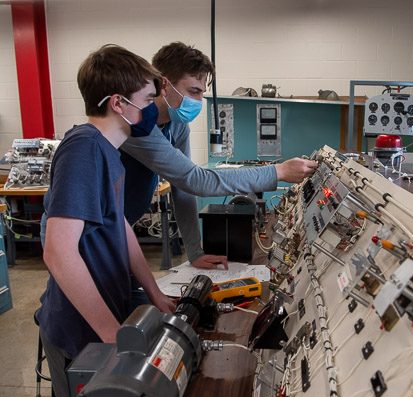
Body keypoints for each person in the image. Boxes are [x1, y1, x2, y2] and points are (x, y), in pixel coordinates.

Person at [37, 45, 176, 397]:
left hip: (103, 320)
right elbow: (58, 252)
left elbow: (121, 227)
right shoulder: (83, 148)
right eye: (146, 99)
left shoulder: (108, 151)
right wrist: (112, 333)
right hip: (79, 331)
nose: (152, 109)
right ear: (118, 103)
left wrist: (154, 293)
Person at [119, 41, 318, 271]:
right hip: (94, 231)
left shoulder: (178, 125)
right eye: (193, 91)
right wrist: (279, 171)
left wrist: (194, 251)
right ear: (164, 84)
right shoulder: (137, 124)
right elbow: (196, 180)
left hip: (121, 228)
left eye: (202, 93)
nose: (197, 101)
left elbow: (182, 187)